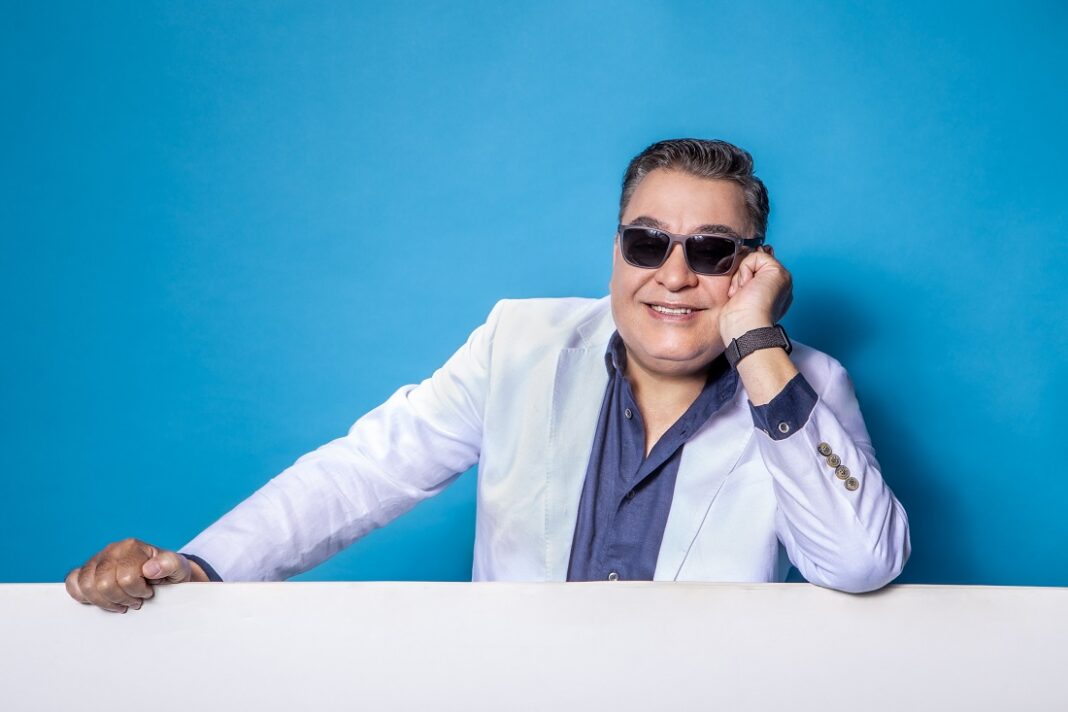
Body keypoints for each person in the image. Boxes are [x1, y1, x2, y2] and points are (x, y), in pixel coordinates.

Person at [66, 138, 910, 612]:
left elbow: (862, 562)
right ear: (618, 248)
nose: (674, 276)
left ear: (754, 266)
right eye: (647, 242)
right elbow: (364, 472)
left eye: (713, 252)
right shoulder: (519, 341)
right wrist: (202, 568)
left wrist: (758, 343)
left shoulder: (800, 388)